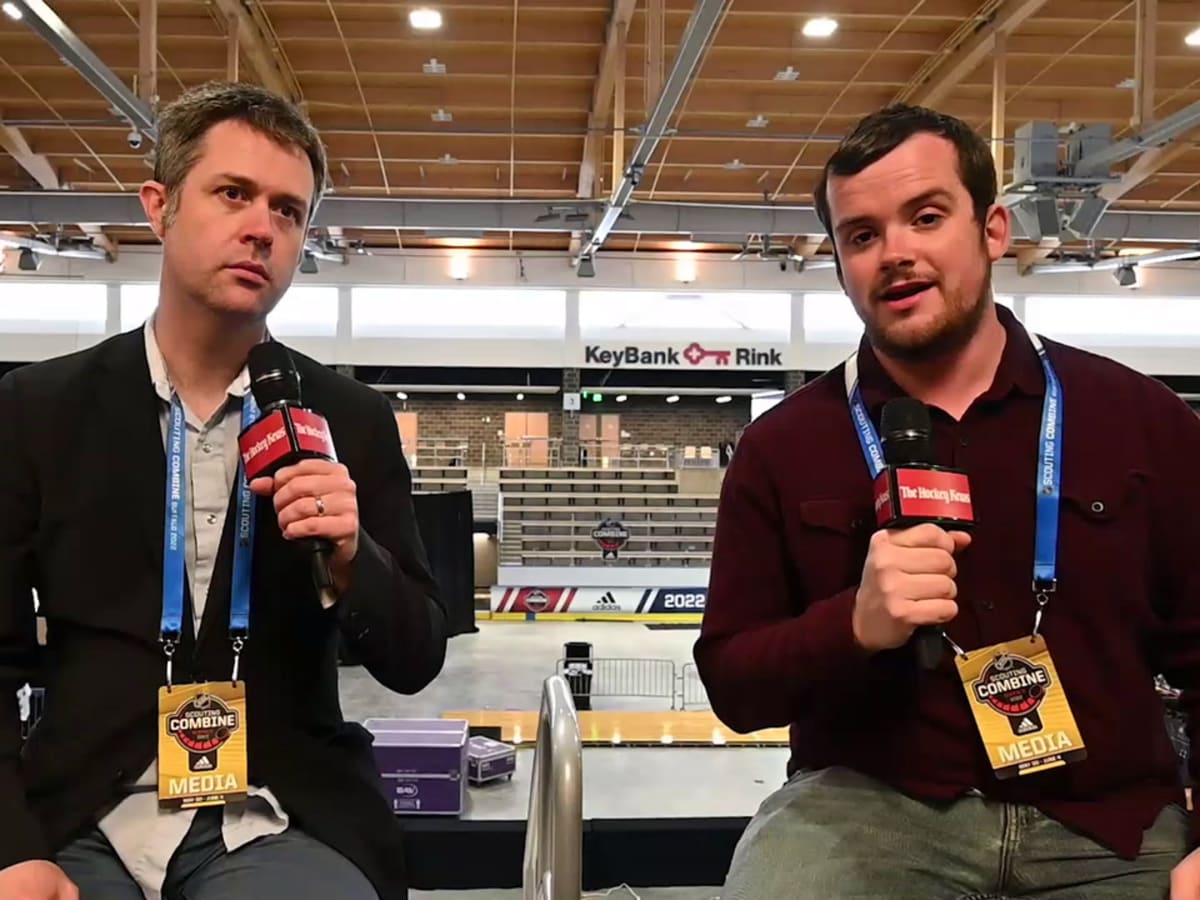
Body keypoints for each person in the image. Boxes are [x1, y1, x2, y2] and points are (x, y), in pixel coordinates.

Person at [694, 104, 1200, 900]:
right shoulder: (782, 447)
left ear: (992, 229)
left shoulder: (1139, 420)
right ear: (839, 264)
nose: (895, 254)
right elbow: (732, 683)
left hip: (1110, 825)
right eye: (861, 236)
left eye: (926, 217)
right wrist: (853, 625)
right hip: (867, 811)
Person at [0, 82, 448, 900]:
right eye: (233, 194)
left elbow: (418, 657)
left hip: (280, 818)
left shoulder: (350, 417)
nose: (261, 229)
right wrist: (9, 850)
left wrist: (355, 560)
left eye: (288, 211)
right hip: (79, 817)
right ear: (159, 206)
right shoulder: (38, 409)